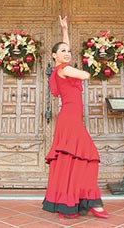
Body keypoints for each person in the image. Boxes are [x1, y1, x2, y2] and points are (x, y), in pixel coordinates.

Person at [42, 16, 110, 219]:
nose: (68, 53)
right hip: (70, 119)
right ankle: (92, 203)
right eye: (62, 51)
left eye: (68, 51)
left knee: (72, 159)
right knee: (89, 155)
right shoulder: (64, 69)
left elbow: (66, 49)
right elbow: (86, 76)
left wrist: (65, 30)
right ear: (54, 56)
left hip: (69, 118)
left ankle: (69, 203)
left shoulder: (59, 69)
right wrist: (97, 57)